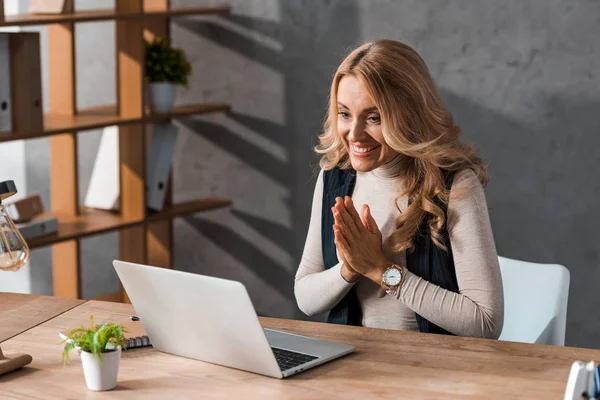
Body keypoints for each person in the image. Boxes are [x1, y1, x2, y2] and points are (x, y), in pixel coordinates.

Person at [294, 40, 504, 338]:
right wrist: (350, 269)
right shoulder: (334, 177)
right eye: (344, 114)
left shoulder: (454, 185)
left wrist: (381, 270)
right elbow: (305, 296)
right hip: (350, 366)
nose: (353, 134)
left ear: (408, 115)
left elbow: (486, 323)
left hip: (434, 372)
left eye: (373, 118)